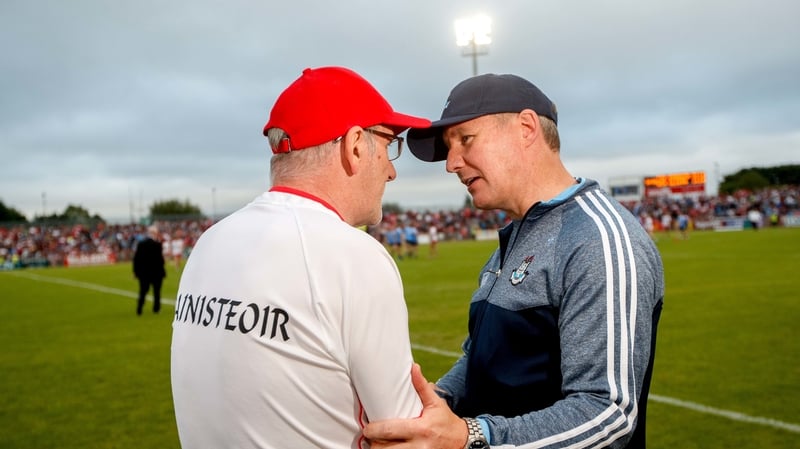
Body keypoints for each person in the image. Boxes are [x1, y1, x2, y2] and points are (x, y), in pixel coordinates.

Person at [363, 73, 665, 449]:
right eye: (448, 147)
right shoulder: (516, 234)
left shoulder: (596, 238)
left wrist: (473, 435)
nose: (452, 163)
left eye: (465, 140)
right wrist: (438, 403)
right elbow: (484, 358)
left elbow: (607, 413)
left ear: (526, 128)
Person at [170, 66, 431, 448]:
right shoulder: (354, 255)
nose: (391, 171)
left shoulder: (210, 241)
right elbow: (408, 436)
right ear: (355, 145)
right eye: (390, 145)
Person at [132, 225, 166, 315]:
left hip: (144, 273)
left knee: (143, 291)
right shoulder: (157, 245)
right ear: (155, 233)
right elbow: (160, 260)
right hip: (156, 273)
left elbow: (136, 259)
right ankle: (156, 309)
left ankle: (139, 308)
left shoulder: (141, 244)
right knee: (157, 291)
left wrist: (135, 271)